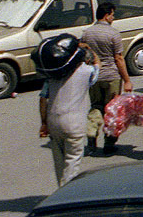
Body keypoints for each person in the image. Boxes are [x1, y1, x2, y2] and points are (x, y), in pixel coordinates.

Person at [34, 33, 94, 186]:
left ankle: (59, 191)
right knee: (72, 164)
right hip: (74, 124)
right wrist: (87, 49)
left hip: (53, 121)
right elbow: (97, 64)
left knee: (59, 164)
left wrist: (44, 123)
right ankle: (65, 195)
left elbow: (43, 99)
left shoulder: (52, 76)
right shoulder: (86, 72)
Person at [80, 1, 132, 156]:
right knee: (112, 110)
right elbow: (119, 59)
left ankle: (91, 135)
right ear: (106, 15)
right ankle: (109, 143)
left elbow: (84, 53)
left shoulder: (87, 33)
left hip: (94, 76)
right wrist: (127, 80)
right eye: (112, 14)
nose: (113, 17)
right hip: (111, 76)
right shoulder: (113, 34)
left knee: (96, 106)